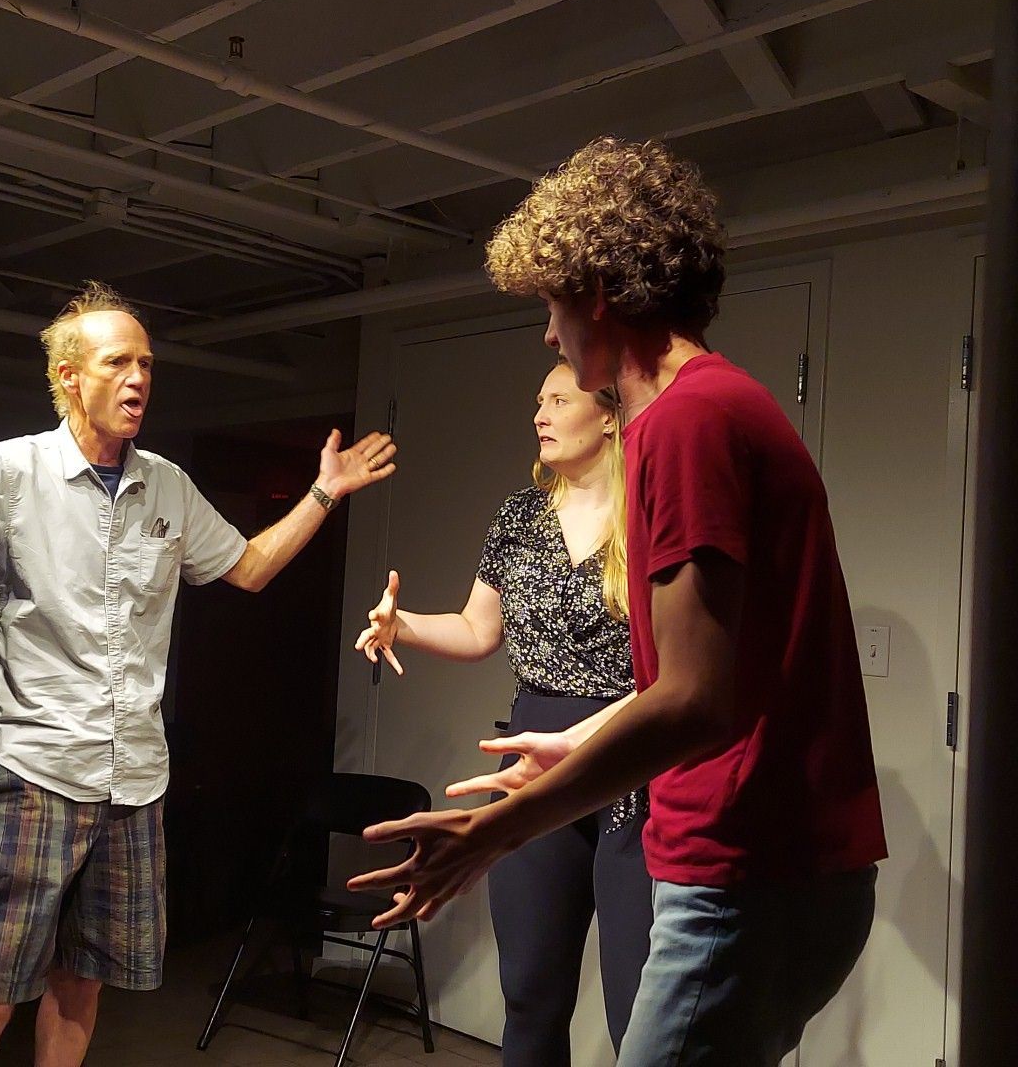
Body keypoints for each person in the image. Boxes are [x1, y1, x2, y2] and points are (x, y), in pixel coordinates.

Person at [349, 136, 887, 1066]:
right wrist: (578, 739)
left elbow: (695, 702)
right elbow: (712, 673)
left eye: (552, 306)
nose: (548, 335)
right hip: (777, 865)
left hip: (742, 863)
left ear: (598, 292)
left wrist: (488, 835)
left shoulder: (685, 419)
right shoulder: (714, 409)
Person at [0, 282, 396, 1067]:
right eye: (118, 362)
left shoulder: (167, 484)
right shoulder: (11, 471)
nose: (138, 378)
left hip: (134, 785)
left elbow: (249, 567)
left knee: (81, 988)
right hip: (35, 772)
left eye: (146, 364)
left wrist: (326, 492)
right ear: (68, 377)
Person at [354, 360, 650, 1063]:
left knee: (639, 1003)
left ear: (610, 416)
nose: (540, 414)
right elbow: (477, 629)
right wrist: (403, 626)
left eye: (559, 400)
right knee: (530, 989)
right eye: (538, 401)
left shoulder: (650, 510)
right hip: (532, 763)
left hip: (631, 757)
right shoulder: (520, 516)